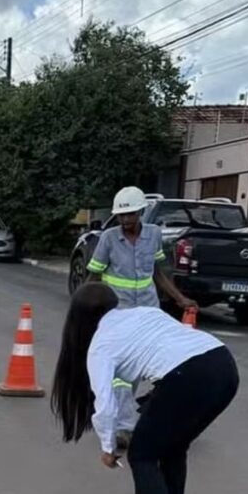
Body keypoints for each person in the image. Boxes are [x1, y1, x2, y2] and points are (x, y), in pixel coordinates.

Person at [51, 283, 238, 494]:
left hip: (186, 376)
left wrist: (107, 445)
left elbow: (104, 402)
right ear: (113, 303)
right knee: (172, 449)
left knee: (142, 454)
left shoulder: (100, 344)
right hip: (223, 365)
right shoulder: (144, 313)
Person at [86, 186, 198, 448]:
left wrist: (180, 299)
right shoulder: (109, 239)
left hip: (148, 311)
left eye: (130, 215)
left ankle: (141, 415)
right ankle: (125, 427)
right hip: (118, 312)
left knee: (151, 367)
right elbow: (94, 274)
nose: (125, 221)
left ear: (141, 212)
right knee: (121, 372)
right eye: (121, 216)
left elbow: (158, 272)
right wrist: (85, 306)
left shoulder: (154, 235)